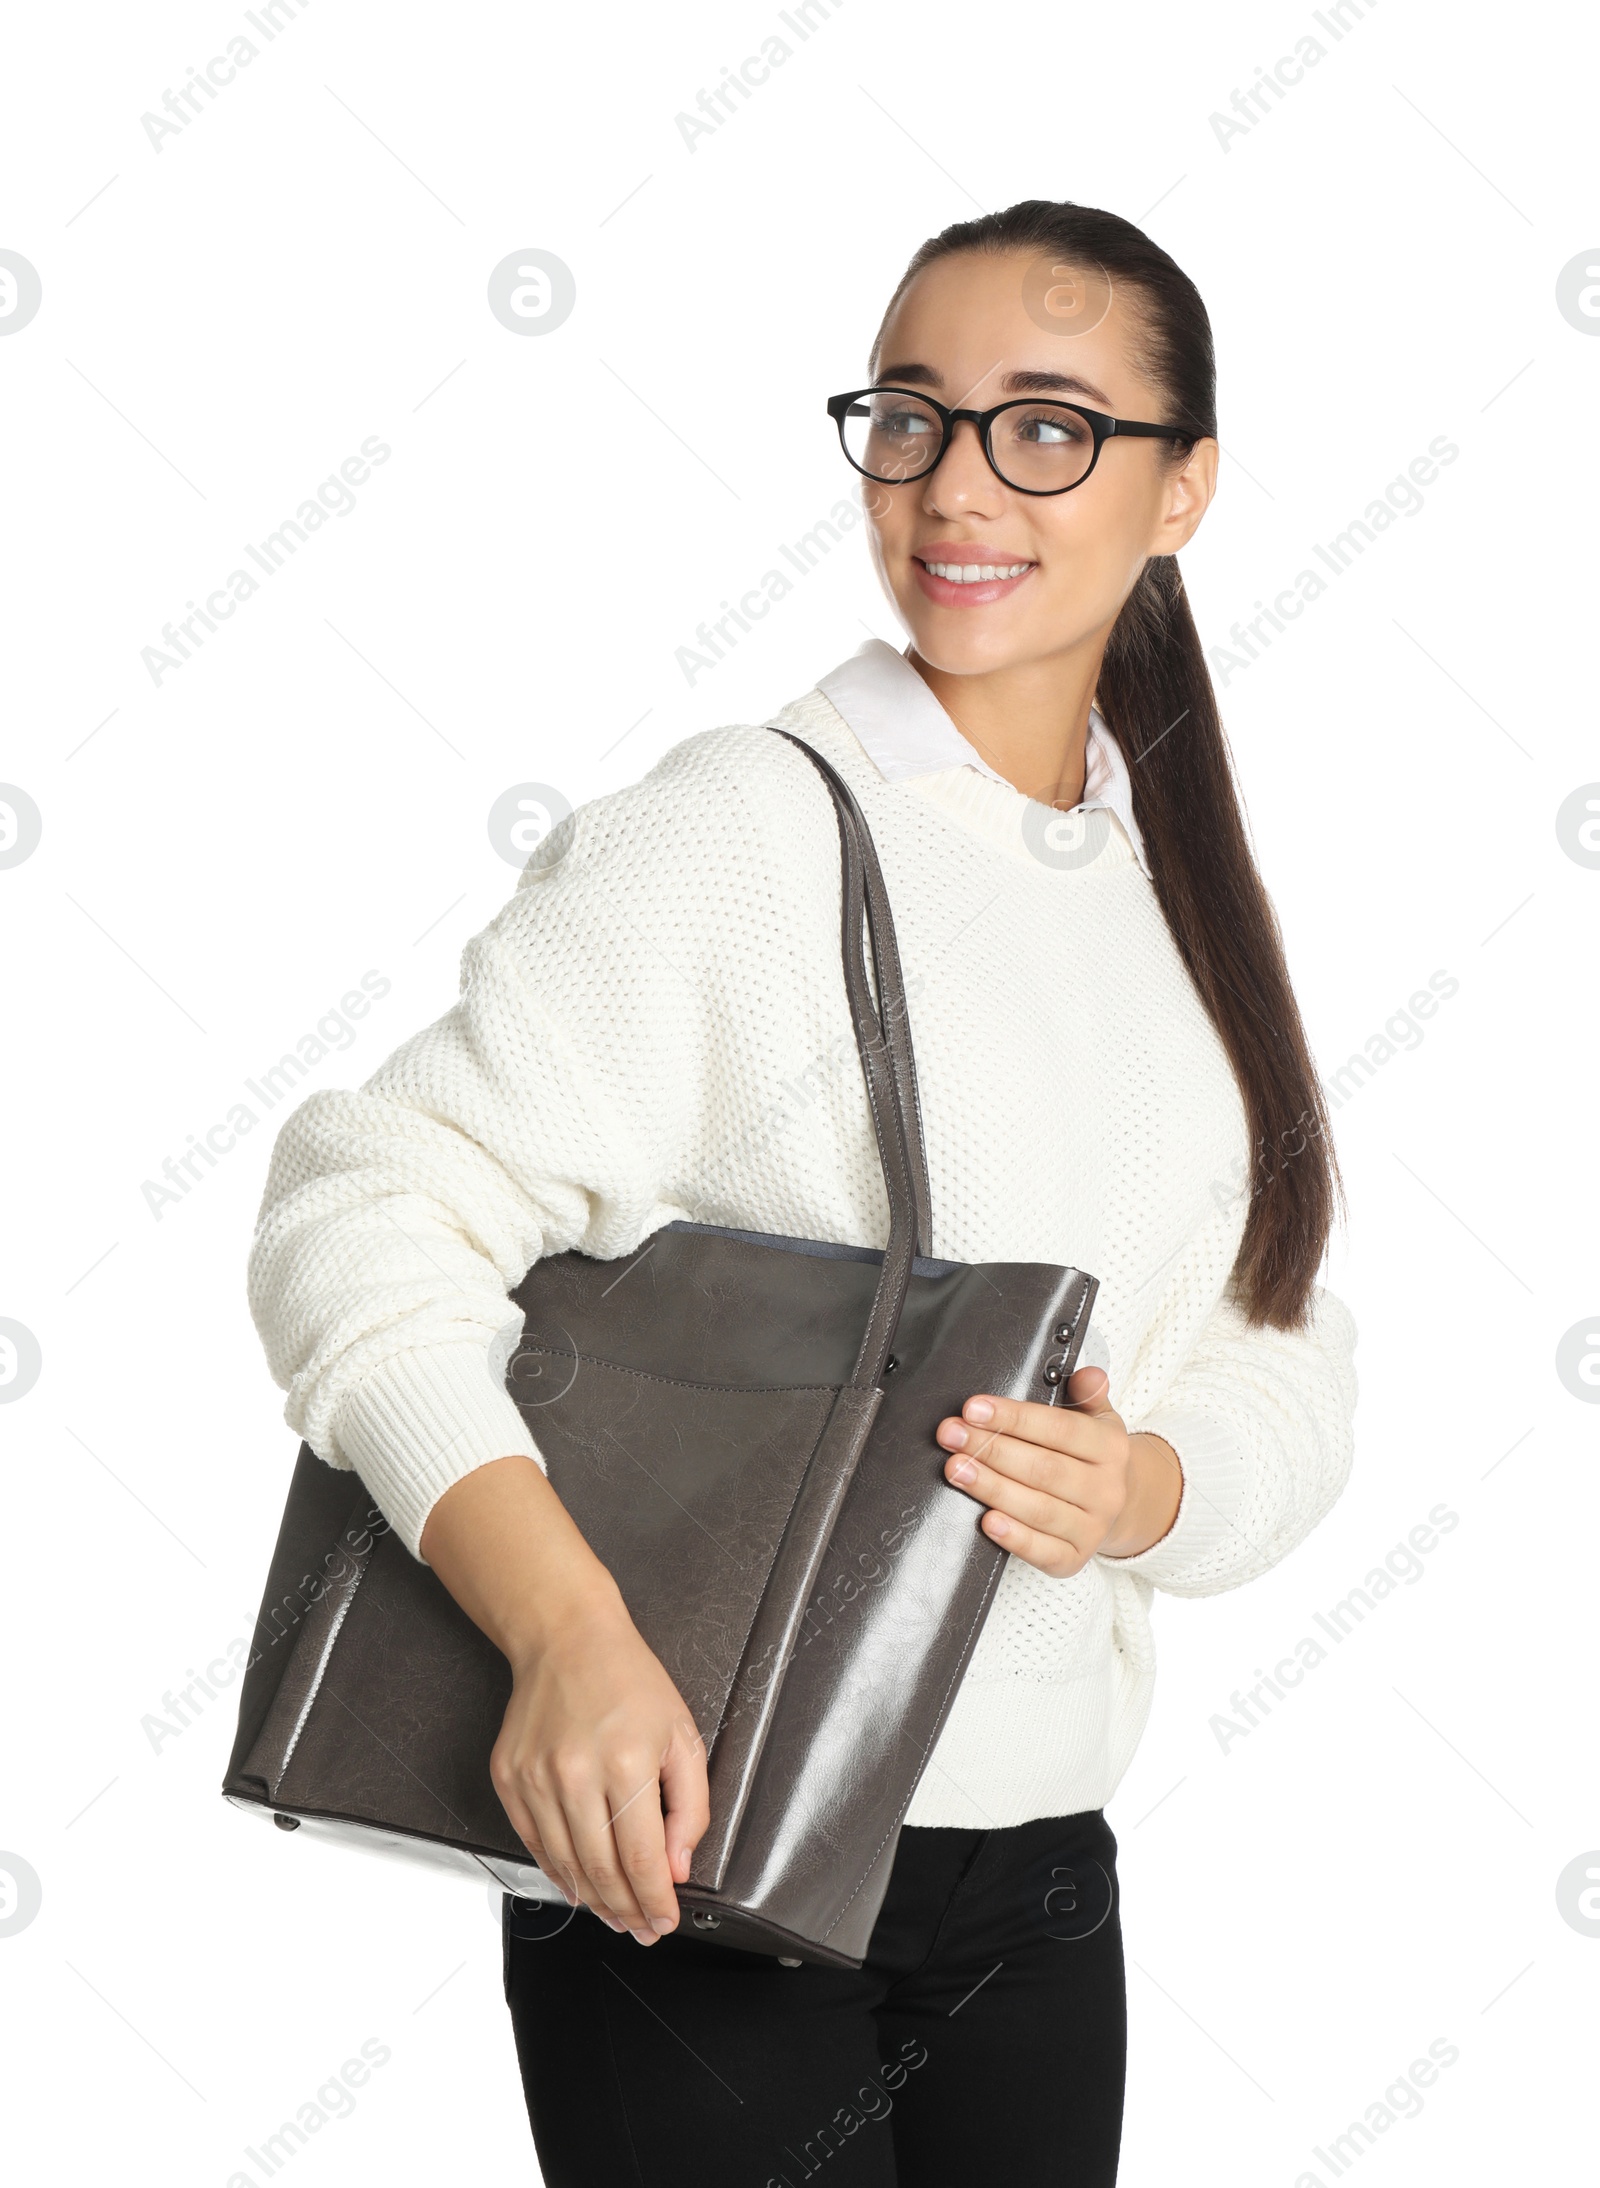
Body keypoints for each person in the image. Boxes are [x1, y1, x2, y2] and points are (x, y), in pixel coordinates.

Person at [248, 197, 1358, 2185]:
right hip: (709, 1845)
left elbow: (1277, 1329)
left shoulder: (1161, 875)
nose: (954, 483)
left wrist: (1151, 1491)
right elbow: (366, 1203)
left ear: (1181, 486)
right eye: (910, 416)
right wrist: (567, 1634)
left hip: (1039, 1879)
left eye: (1046, 427)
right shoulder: (751, 828)